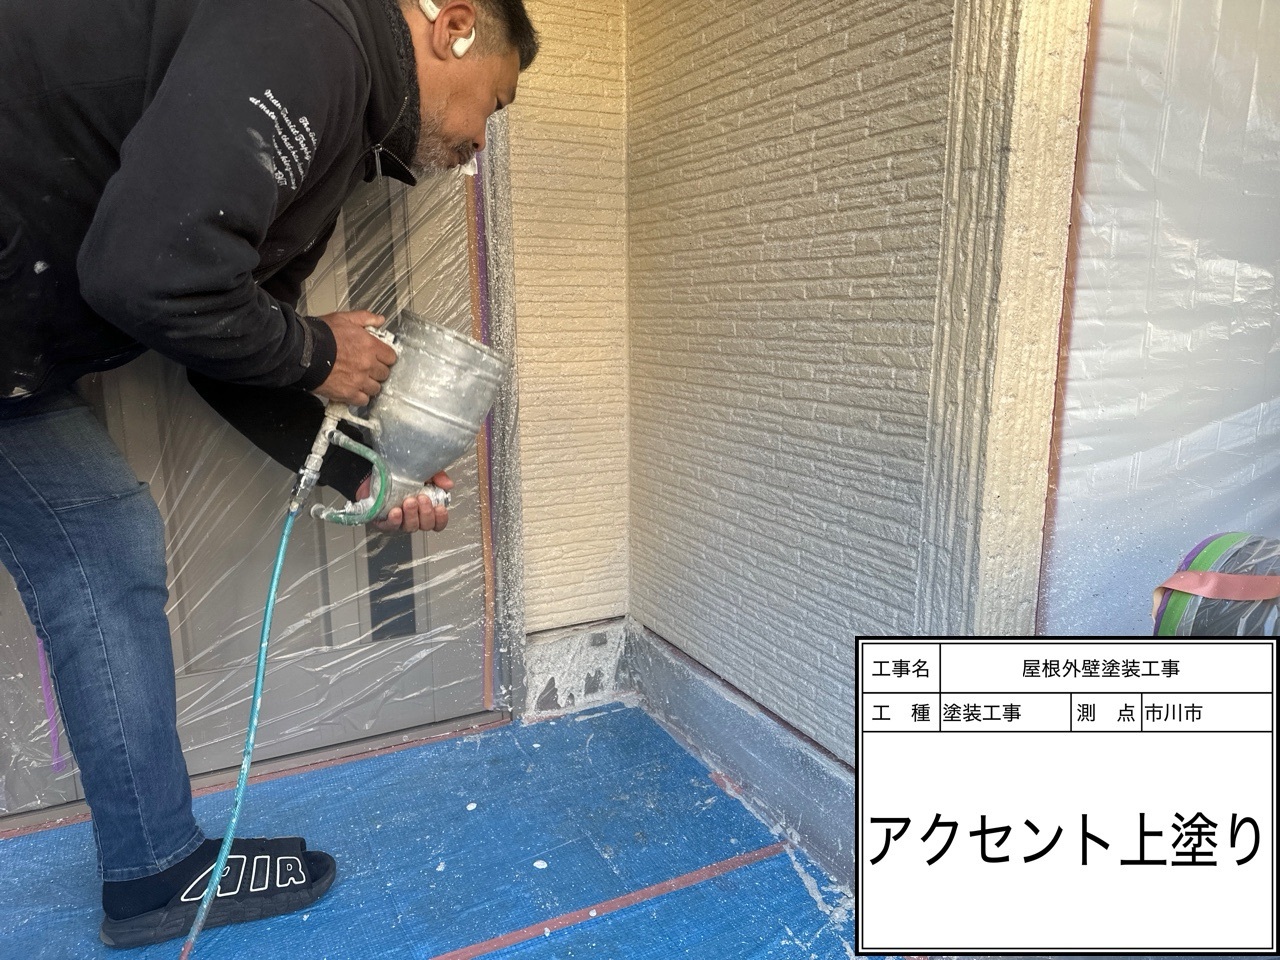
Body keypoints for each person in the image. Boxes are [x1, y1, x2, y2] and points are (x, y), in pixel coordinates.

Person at [0, 0, 537, 947]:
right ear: (453, 26)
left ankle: (154, 873)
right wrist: (314, 350)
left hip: (15, 351)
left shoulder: (333, 125)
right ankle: (153, 869)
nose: (476, 145)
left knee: (103, 541)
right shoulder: (311, 35)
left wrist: (367, 475)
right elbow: (144, 274)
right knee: (103, 540)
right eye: (490, 106)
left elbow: (224, 349)